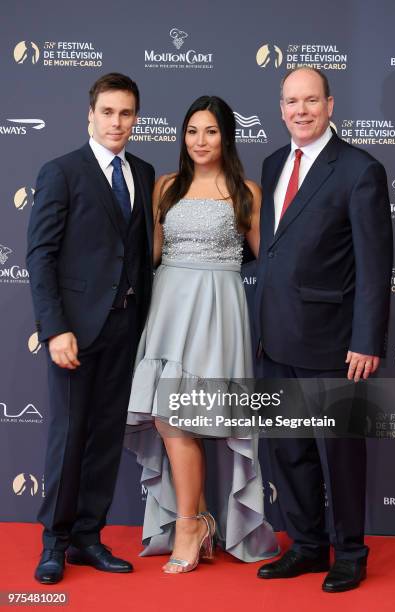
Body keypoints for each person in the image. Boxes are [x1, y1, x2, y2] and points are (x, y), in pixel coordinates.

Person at [127, 95, 278, 573]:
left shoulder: (246, 192)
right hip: (170, 306)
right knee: (169, 418)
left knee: (186, 418)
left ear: (226, 136)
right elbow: (148, 255)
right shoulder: (166, 187)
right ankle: (192, 523)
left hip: (218, 312)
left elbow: (272, 264)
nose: (200, 140)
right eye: (192, 131)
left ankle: (193, 524)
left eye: (210, 131)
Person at [255, 67, 393, 592]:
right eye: (292, 101)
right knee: (288, 450)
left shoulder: (360, 169)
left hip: (334, 340)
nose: (301, 111)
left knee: (340, 453)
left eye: (311, 100)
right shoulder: (271, 164)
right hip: (275, 336)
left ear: (330, 105)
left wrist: (366, 339)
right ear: (281, 107)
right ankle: (308, 547)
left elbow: (375, 265)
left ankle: (350, 552)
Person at [26, 73, 154, 584]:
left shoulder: (143, 172)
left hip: (126, 328)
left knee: (104, 438)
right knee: (69, 437)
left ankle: (87, 538)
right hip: (74, 334)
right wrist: (55, 329)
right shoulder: (61, 172)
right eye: (108, 112)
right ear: (91, 115)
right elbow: (41, 256)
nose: (117, 122)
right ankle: (53, 543)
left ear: (136, 118)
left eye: (126, 113)